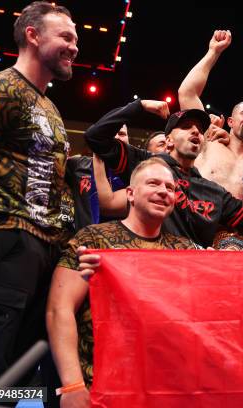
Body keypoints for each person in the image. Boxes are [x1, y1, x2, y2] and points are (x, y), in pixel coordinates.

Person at [0, 1, 78, 385]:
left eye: (76, 39)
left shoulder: (49, 106)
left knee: (15, 380)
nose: (74, 46)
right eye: (65, 36)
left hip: (41, 254)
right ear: (32, 35)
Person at [46, 158, 197, 407]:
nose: (163, 191)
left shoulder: (183, 250)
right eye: (153, 183)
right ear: (130, 194)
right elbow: (58, 310)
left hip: (164, 389)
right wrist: (71, 385)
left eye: (170, 188)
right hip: (100, 386)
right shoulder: (94, 238)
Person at [84, 99, 243, 248]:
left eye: (201, 131)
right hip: (147, 265)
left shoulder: (215, 192)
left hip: (192, 275)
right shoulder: (146, 163)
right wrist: (139, 106)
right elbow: (95, 136)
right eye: (186, 127)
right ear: (168, 140)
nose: (195, 131)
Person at [177, 30, 243, 198]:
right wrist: (213, 52)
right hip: (189, 222)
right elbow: (187, 93)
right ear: (230, 121)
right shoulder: (207, 141)